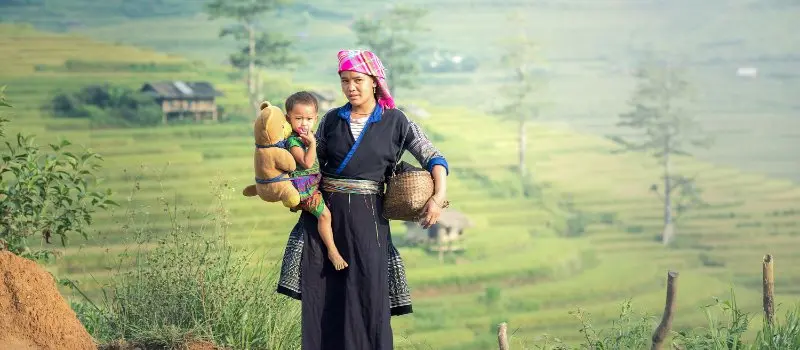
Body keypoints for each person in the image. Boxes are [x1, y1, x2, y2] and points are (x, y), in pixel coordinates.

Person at [276, 49, 449, 350]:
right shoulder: (331, 119)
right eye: (345, 81)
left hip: (369, 221)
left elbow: (434, 157)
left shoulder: (396, 121)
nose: (351, 87)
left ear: (374, 82)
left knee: (369, 293)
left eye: (357, 80)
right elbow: (311, 162)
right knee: (323, 295)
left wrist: (438, 197)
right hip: (326, 217)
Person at [283, 91, 348, 271]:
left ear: (316, 119)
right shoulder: (294, 142)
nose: (304, 123)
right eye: (298, 118)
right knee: (325, 216)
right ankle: (332, 250)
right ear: (288, 119)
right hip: (305, 190)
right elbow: (306, 163)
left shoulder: (306, 138)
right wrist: (312, 144)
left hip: (313, 185)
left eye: (309, 119)